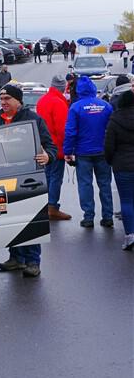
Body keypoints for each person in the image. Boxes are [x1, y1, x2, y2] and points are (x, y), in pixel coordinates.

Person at [0, 83, 56, 277]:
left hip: (27, 179)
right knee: (10, 220)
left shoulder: (33, 119)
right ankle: (16, 258)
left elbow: (51, 147)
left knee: (30, 220)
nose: (3, 102)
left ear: (18, 101)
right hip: (1, 177)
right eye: (2, 99)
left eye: (7, 99)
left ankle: (32, 261)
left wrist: (48, 156)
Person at [63, 75, 113, 228]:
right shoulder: (105, 106)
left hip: (83, 153)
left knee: (85, 185)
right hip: (103, 151)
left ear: (79, 90)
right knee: (105, 184)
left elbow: (70, 131)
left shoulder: (76, 107)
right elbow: (111, 130)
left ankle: (88, 217)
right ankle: (107, 216)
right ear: (93, 89)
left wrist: (67, 151)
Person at [36, 74, 71, 220]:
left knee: (48, 176)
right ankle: (52, 207)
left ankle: (46, 205)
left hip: (44, 148)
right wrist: (68, 149)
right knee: (56, 177)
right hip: (56, 148)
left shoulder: (42, 100)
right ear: (62, 88)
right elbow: (62, 129)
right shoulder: (59, 102)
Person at [104, 90, 134, 250]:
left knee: (127, 201)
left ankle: (130, 236)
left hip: (122, 166)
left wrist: (111, 161)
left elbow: (109, 146)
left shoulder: (115, 120)